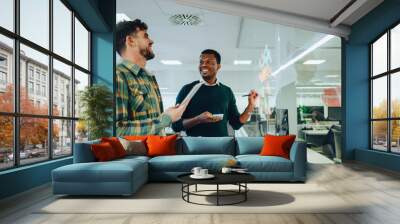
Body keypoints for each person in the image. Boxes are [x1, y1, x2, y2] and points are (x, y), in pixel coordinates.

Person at [115, 19, 188, 136]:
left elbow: (154, 126)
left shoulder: (149, 77)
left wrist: (168, 115)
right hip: (138, 154)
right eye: (145, 36)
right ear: (130, 41)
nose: (151, 41)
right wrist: (165, 119)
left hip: (156, 151)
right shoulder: (119, 75)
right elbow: (118, 129)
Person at [172, 49, 258, 137]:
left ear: (218, 66)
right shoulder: (187, 89)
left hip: (222, 147)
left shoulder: (226, 91)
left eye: (209, 62)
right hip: (194, 147)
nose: (204, 65)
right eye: (201, 62)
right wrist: (198, 119)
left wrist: (251, 105)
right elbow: (175, 126)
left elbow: (236, 124)